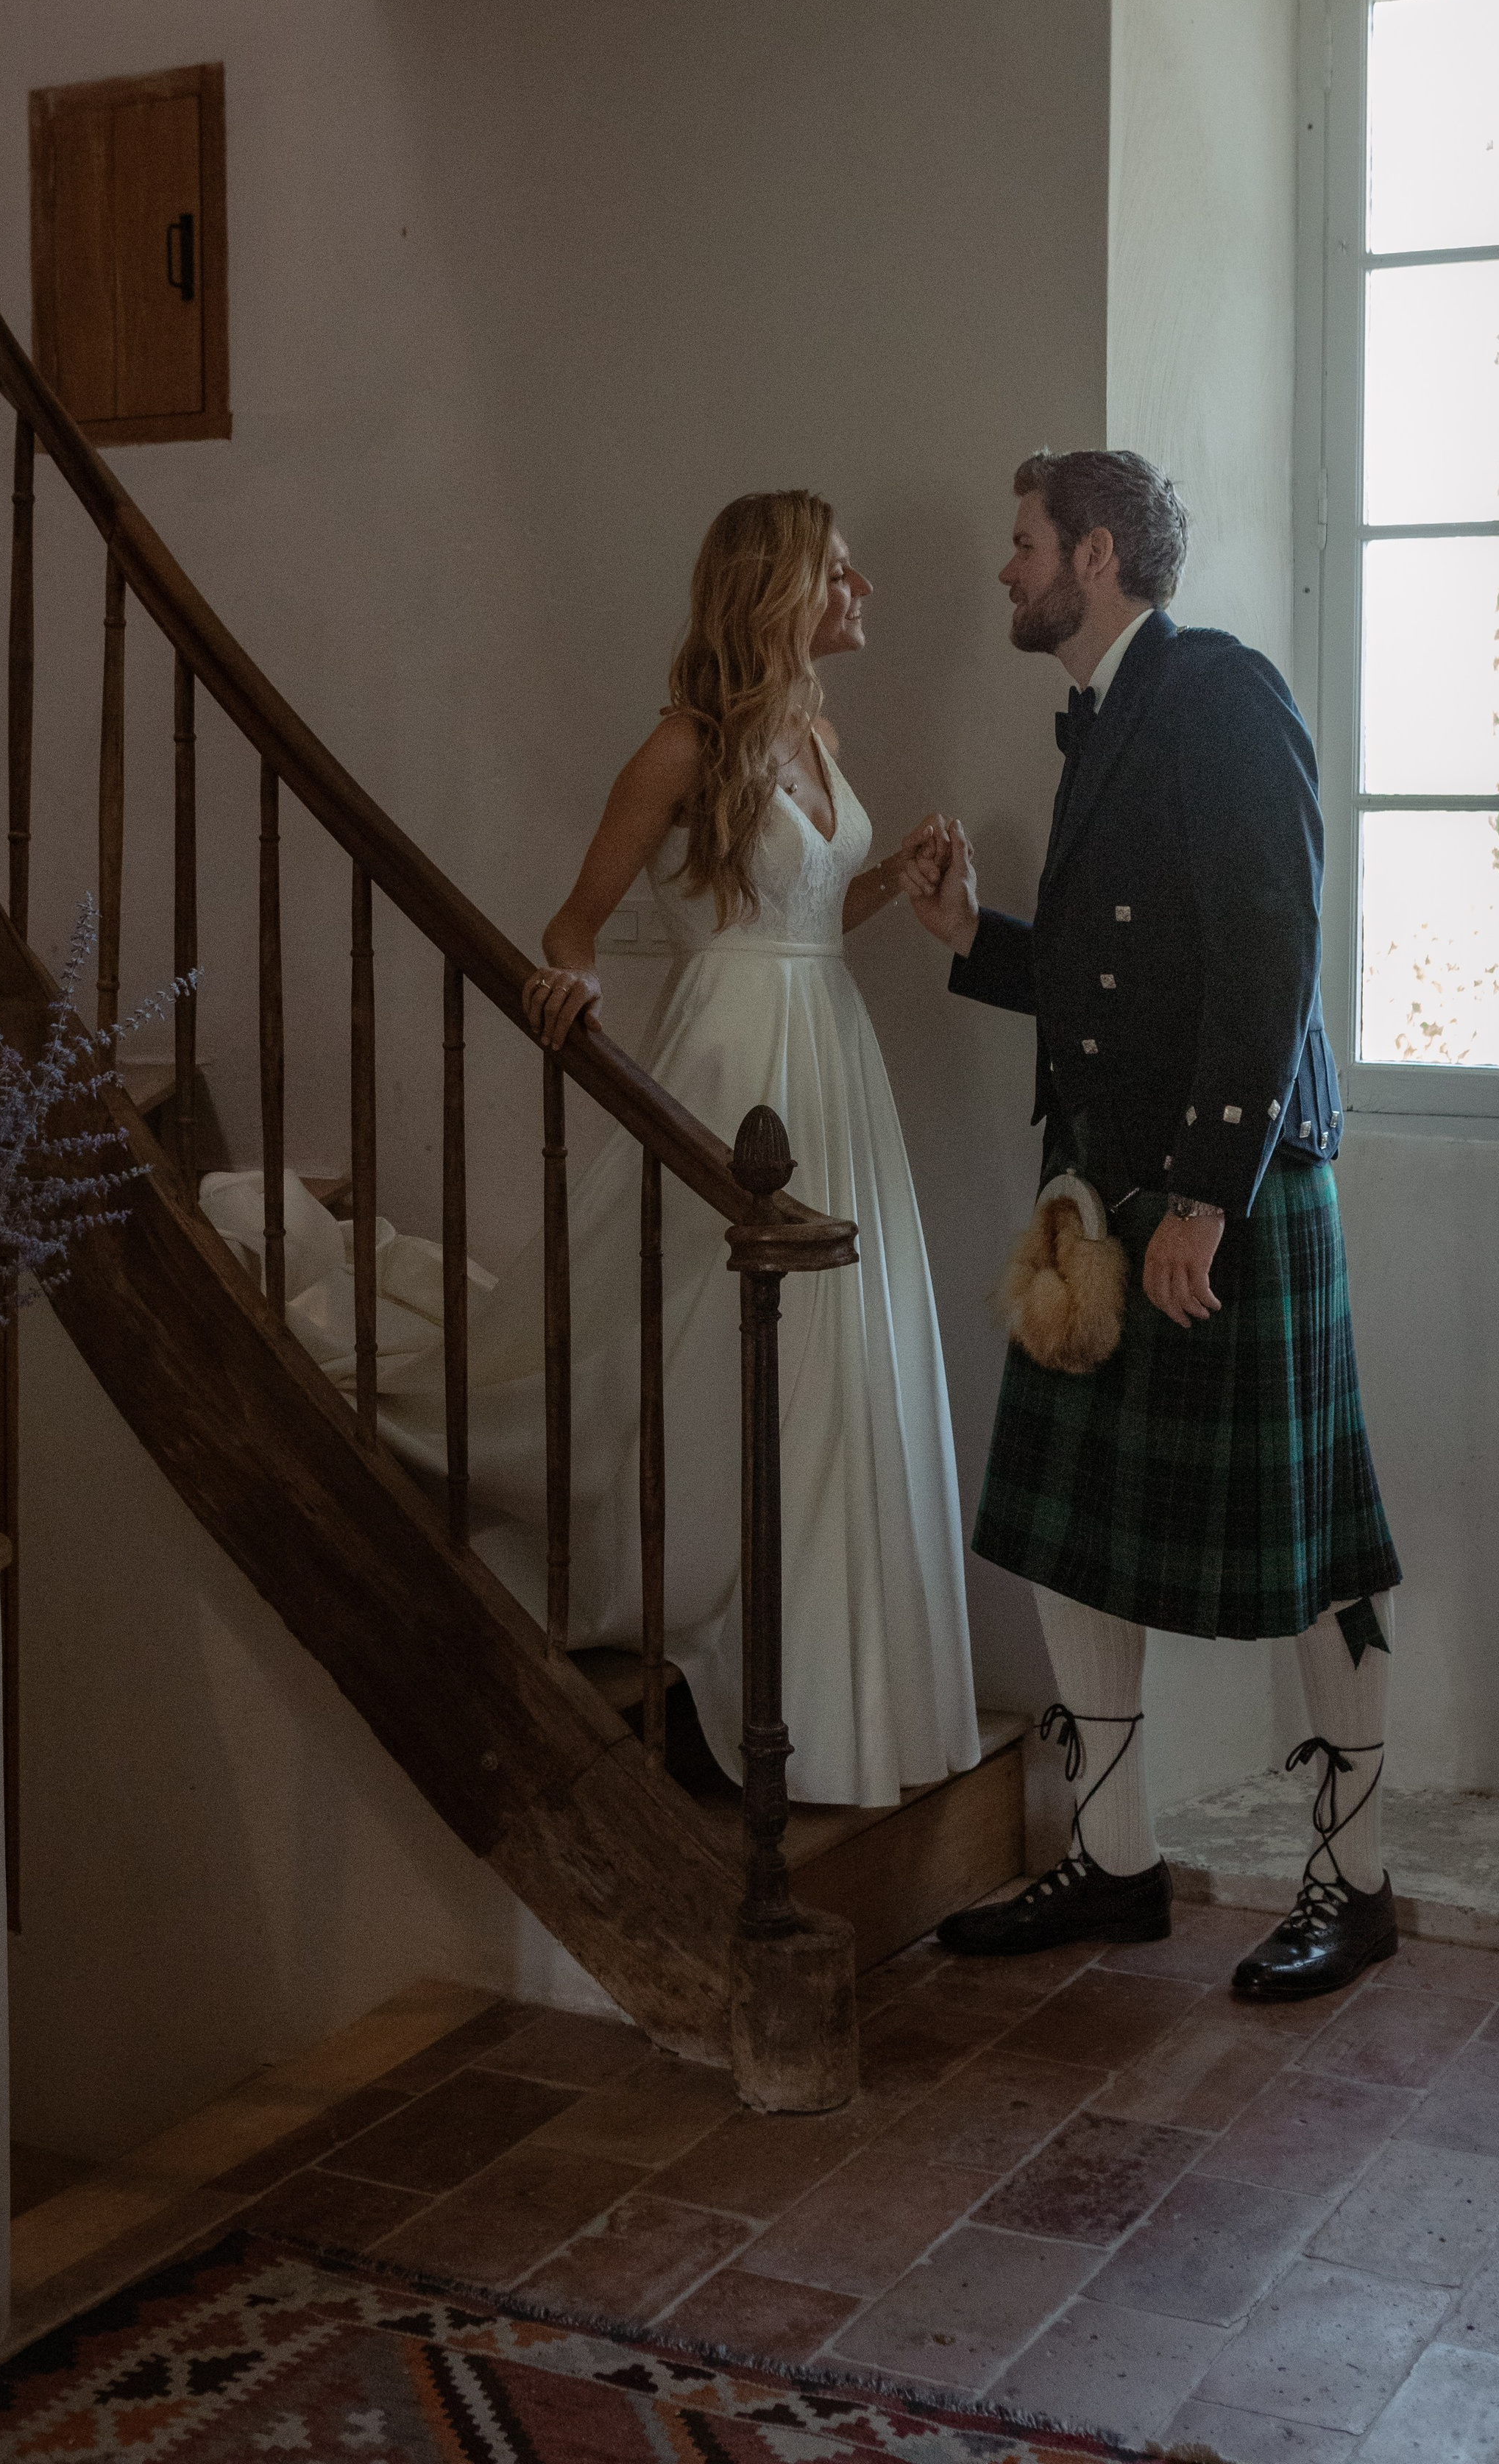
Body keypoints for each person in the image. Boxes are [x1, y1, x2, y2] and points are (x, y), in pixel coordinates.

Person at [361, 491, 979, 1810]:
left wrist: (896, 877)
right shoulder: (681, 745)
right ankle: (721, 1645)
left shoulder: (815, 724)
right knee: (723, 1344)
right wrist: (570, 989)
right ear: (780, 591)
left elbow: (805, 914)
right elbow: (574, 921)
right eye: (841, 573)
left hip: (831, 1052)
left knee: (837, 1352)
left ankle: (842, 1700)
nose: (863, 592)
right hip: (732, 1059)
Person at [907, 448, 1400, 2002]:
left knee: (1310, 1548)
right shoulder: (1114, 713)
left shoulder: (1217, 693)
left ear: (1095, 554)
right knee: (1069, 1542)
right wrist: (973, 942)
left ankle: (1360, 1878)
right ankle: (1116, 1864)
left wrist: (1202, 1194)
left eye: (1022, 543)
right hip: (1102, 1196)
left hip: (1219, 1194)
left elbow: (1267, 954)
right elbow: (1124, 968)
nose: (1005, 570)